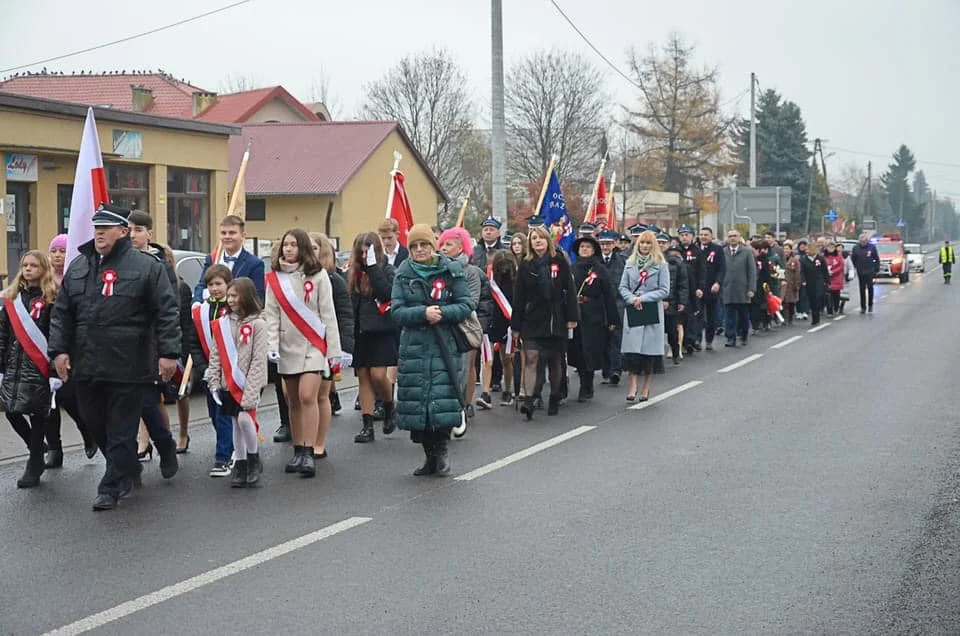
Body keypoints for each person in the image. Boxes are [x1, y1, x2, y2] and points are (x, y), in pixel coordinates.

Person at [49, 204, 180, 511]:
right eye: (96, 228)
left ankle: (111, 486)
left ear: (122, 232)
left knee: (122, 428)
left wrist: (169, 353)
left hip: (129, 363)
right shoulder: (79, 266)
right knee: (96, 424)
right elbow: (62, 313)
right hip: (88, 362)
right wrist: (59, 350)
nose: (98, 234)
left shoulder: (146, 266)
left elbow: (166, 311)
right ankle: (125, 468)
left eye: (105, 228)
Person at [390, 224, 474, 476]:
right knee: (419, 404)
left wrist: (443, 313)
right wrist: (422, 313)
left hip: (444, 345)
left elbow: (466, 304)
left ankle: (442, 452)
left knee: (441, 401)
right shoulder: (403, 274)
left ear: (432, 245)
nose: (419, 250)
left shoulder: (451, 270)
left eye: (423, 245)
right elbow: (396, 311)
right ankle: (429, 456)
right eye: (414, 246)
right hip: (414, 346)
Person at [265, 228, 341, 478]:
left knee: (308, 395)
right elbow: (271, 314)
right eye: (285, 244)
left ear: (303, 249)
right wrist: (272, 345)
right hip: (287, 346)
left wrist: (334, 351)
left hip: (313, 345)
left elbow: (328, 314)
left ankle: (309, 451)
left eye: (294, 245)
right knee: (293, 400)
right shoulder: (275, 279)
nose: (288, 249)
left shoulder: (318, 275)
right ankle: (298, 449)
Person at [126, 210, 179, 476]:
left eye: (138, 230)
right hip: (119, 346)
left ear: (149, 233)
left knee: (148, 402)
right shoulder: (116, 262)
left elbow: (170, 309)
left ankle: (164, 445)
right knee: (119, 405)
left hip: (149, 346)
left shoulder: (160, 265)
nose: (132, 235)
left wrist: (167, 351)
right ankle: (126, 461)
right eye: (128, 230)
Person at [0, 251, 59, 487]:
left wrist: (55, 371)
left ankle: (34, 463)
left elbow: (56, 336)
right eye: (25, 265)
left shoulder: (52, 298)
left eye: (34, 265)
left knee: (38, 416)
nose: (28, 269)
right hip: (15, 367)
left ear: (43, 269)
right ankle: (36, 446)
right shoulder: (12, 298)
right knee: (12, 412)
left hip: (40, 367)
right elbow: (2, 334)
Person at [204, 278, 268, 488]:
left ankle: (253, 458)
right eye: (229, 296)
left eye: (234, 296)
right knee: (234, 422)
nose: (230, 300)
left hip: (249, 382)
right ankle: (240, 464)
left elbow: (258, 360)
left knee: (244, 420)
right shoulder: (222, 324)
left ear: (246, 297)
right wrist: (213, 379)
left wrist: (251, 390)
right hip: (228, 382)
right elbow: (216, 354)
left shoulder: (258, 323)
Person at [512, 226, 578, 419]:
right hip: (532, 319)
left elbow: (570, 289)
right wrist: (515, 326)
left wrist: (572, 317)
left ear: (547, 240)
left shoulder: (559, 260)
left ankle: (555, 396)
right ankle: (529, 400)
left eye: (541, 238)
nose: (537, 241)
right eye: (533, 239)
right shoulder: (526, 265)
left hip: (555, 317)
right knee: (531, 357)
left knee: (555, 359)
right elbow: (519, 297)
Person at [42, 234, 96, 465]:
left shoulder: (75, 278)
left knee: (67, 396)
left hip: (71, 347)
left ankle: (86, 429)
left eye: (62, 251)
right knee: (47, 402)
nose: (57, 256)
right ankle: (54, 448)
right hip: (43, 347)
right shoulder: (42, 280)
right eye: (54, 251)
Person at [348, 232, 397, 443]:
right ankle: (367, 425)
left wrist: (372, 268)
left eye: (368, 250)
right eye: (361, 251)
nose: (364, 254)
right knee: (364, 377)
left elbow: (386, 293)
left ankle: (388, 405)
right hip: (361, 333)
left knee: (378, 376)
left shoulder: (386, 269)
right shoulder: (352, 273)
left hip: (381, 330)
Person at [438, 227, 493, 417]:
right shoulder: (437, 270)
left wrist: (447, 310)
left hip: (465, 326)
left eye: (448, 244)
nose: (443, 248)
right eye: (442, 244)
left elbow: (472, 301)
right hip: (442, 325)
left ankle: (465, 403)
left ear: (462, 247)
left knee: (466, 367)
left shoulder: (471, 272)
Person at [309, 232, 354, 457]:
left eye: (315, 248)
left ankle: (319, 442)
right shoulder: (294, 278)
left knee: (319, 395)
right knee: (297, 397)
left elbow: (345, 314)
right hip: (299, 346)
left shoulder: (333, 279)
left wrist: (344, 347)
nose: (310, 252)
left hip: (325, 343)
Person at [190, 264, 234, 477]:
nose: (215, 288)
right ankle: (232, 445)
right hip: (209, 370)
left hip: (231, 371)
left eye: (219, 284)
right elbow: (194, 342)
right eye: (211, 284)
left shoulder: (235, 308)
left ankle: (223, 457)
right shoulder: (201, 311)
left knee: (225, 412)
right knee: (214, 414)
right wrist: (202, 367)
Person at [619, 230, 670, 401]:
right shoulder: (629, 263)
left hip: (650, 310)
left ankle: (646, 388)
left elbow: (664, 289)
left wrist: (644, 298)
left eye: (648, 243)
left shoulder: (661, 264)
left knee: (649, 353)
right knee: (632, 352)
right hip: (634, 309)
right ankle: (632, 386)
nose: (645, 246)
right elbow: (623, 287)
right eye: (642, 243)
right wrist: (632, 298)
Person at [569, 234, 618, 400]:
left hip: (593, 315)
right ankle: (582, 380)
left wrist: (612, 319)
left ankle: (587, 386)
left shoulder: (599, 269)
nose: (584, 249)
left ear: (593, 250)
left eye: (588, 247)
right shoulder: (572, 268)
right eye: (582, 247)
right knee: (577, 350)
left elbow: (609, 295)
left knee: (589, 350)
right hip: (575, 313)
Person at [193, 214, 265, 301]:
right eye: (223, 233)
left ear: (243, 236)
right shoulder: (212, 259)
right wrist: (196, 303)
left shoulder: (254, 263)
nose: (227, 236)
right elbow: (202, 285)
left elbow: (258, 296)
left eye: (232, 233)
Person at [486, 250, 517, 406]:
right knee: (488, 358)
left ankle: (508, 389)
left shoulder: (516, 280)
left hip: (508, 322)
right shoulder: (490, 280)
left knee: (507, 358)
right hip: (493, 321)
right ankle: (486, 391)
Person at [598, 229, 626, 384]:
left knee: (616, 338)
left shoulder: (622, 260)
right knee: (602, 339)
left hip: (617, 304)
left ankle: (616, 370)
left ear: (614, 244)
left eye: (608, 243)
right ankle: (606, 370)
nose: (605, 247)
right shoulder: (596, 260)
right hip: (600, 305)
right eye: (602, 244)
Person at [720, 229, 756, 348]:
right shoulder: (723, 251)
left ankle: (744, 335)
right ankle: (730, 337)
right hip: (728, 289)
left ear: (739, 237)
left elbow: (752, 271)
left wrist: (751, 288)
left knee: (743, 315)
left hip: (743, 289)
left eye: (735, 236)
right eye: (730, 236)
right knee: (729, 316)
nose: (732, 238)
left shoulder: (747, 252)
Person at [661, 238, 690, 364]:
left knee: (672, 330)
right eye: (658, 242)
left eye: (663, 243)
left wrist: (682, 302)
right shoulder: (649, 260)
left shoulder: (675, 262)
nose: (661, 245)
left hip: (671, 301)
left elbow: (682, 284)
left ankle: (675, 350)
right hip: (654, 301)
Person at [696, 227, 725, 350]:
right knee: (698, 315)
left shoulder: (717, 249)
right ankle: (697, 339)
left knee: (711, 315)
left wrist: (718, 282)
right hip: (699, 288)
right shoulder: (695, 249)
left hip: (712, 287)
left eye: (706, 235)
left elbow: (722, 268)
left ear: (711, 236)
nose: (703, 237)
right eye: (701, 234)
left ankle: (709, 339)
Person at [677, 225, 701, 355]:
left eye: (687, 235)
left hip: (693, 288)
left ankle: (691, 340)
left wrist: (700, 287)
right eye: (682, 235)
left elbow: (702, 271)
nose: (684, 237)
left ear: (692, 236)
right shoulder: (676, 251)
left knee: (692, 315)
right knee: (681, 317)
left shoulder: (697, 252)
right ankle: (684, 342)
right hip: (681, 288)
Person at [799, 239, 828, 326]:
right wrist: (803, 280)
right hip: (809, 282)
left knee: (817, 298)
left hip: (818, 281)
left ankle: (816, 317)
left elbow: (824, 270)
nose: (807, 250)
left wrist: (827, 281)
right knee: (811, 299)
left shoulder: (820, 259)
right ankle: (814, 316)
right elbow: (802, 271)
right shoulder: (803, 260)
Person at [850, 233, 879, 313]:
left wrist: (876, 269)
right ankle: (863, 307)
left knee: (870, 288)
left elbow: (876, 258)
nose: (863, 242)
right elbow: (853, 259)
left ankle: (870, 305)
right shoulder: (855, 248)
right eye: (862, 241)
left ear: (867, 241)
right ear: (859, 241)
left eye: (865, 241)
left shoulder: (872, 247)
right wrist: (855, 268)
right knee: (862, 289)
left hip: (870, 270)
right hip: (860, 271)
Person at [781, 241, 801, 325]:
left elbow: (797, 273)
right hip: (782, 283)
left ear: (791, 250)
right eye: (784, 249)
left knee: (791, 302)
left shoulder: (795, 260)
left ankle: (790, 318)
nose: (786, 250)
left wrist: (797, 284)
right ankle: (784, 318)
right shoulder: (780, 259)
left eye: (787, 249)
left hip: (791, 284)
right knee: (783, 302)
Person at [823, 241, 846, 315]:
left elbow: (841, 267)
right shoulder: (823, 257)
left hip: (836, 278)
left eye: (832, 247)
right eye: (829, 247)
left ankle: (836, 307)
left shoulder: (839, 257)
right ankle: (829, 310)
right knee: (828, 295)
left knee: (836, 295)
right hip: (827, 279)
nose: (830, 249)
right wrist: (826, 272)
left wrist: (833, 272)